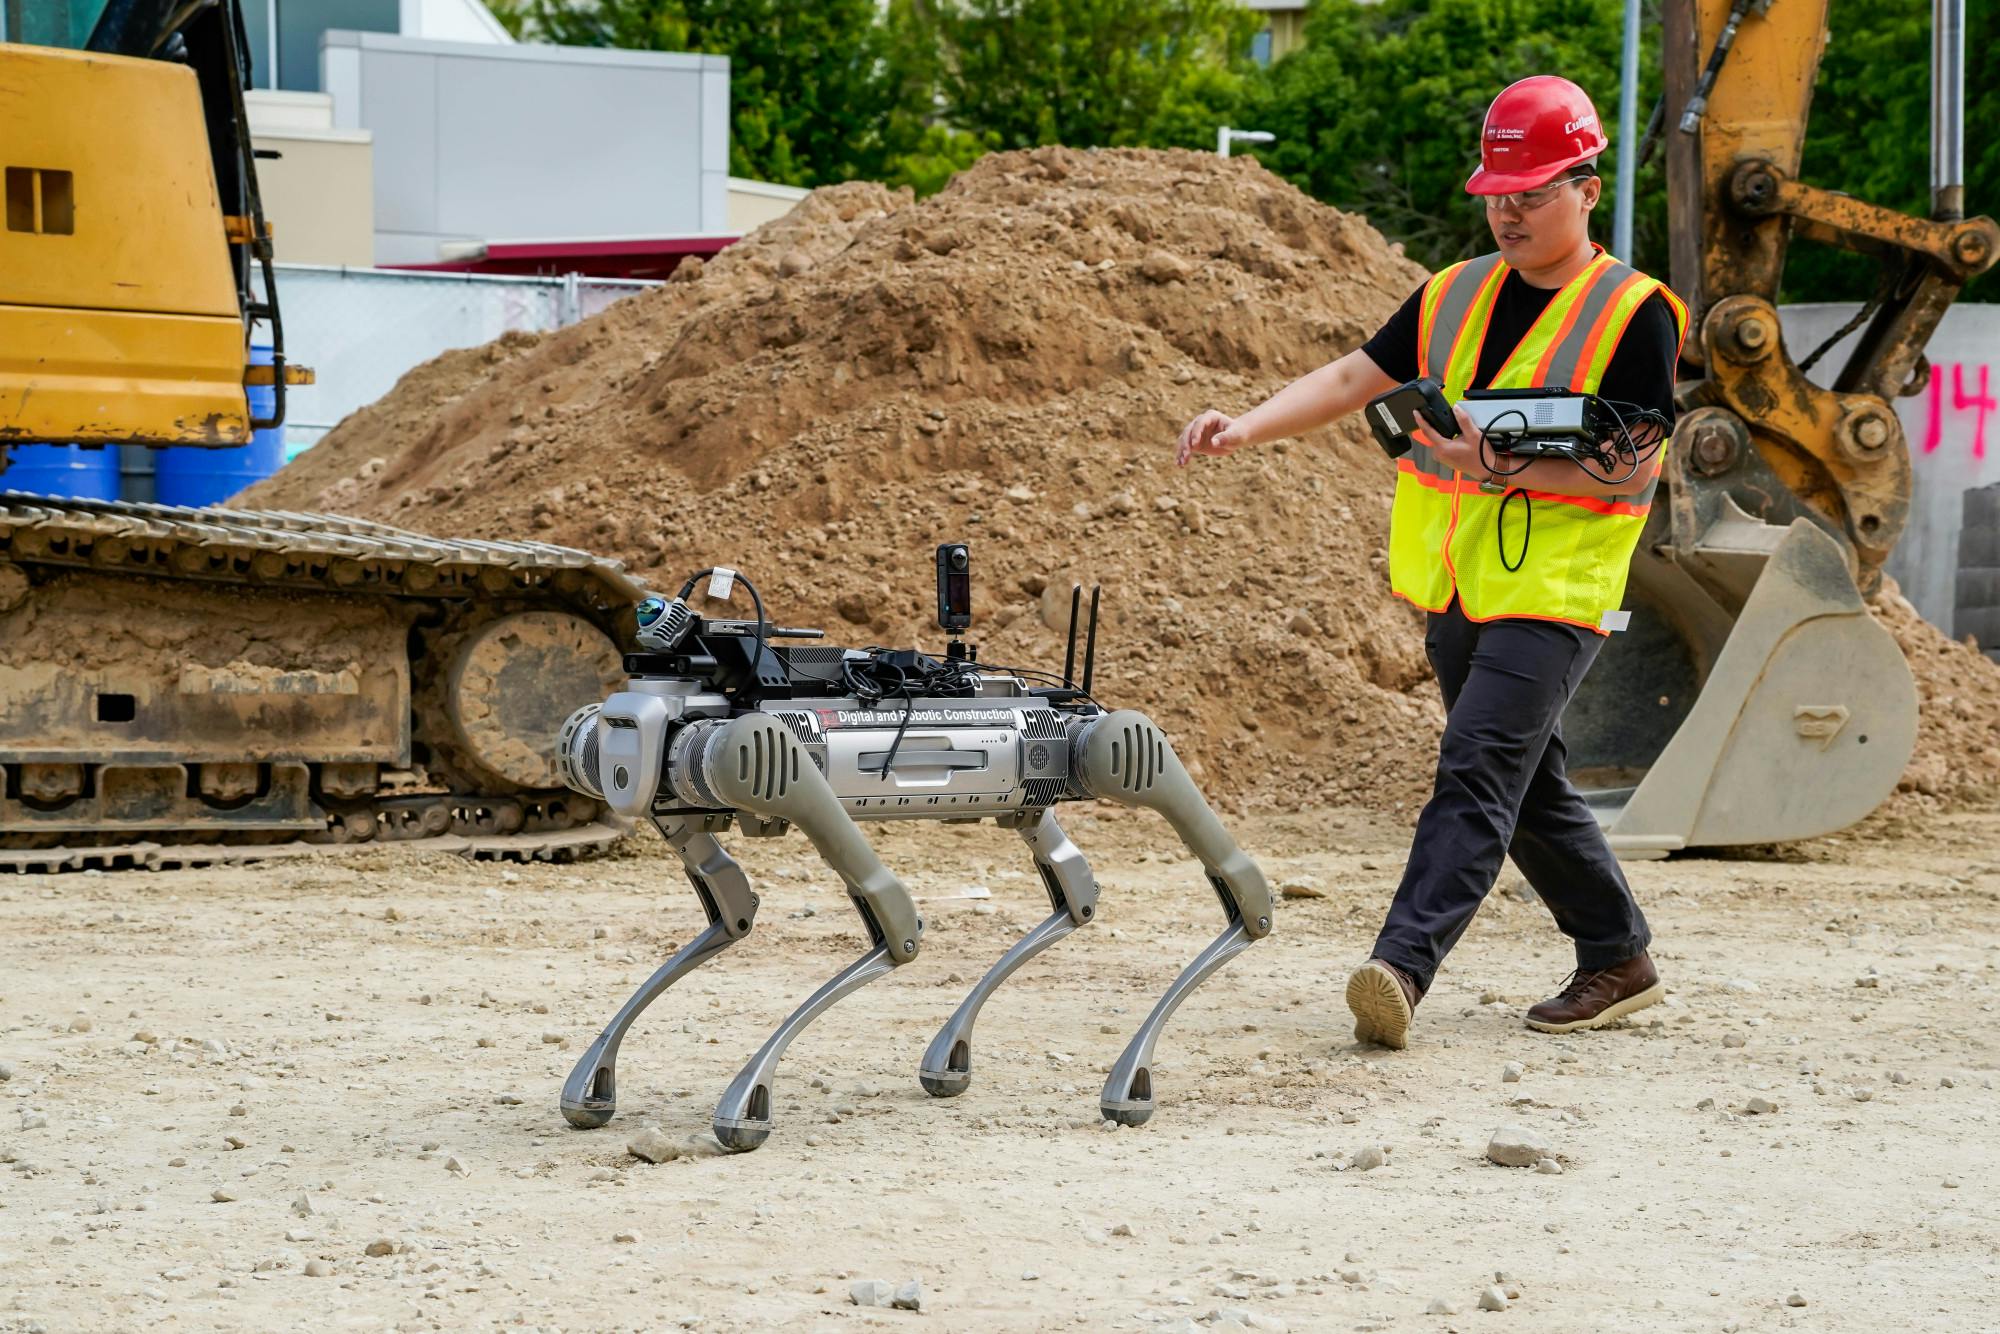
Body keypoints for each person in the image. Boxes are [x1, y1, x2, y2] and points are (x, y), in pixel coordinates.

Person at [1174, 76, 1688, 1049]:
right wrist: (1241, 428)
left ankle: (1399, 965)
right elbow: (1347, 378)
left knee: (1475, 768)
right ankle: (1617, 957)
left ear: (1586, 185)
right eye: (1495, 191)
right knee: (1525, 785)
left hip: (1553, 591)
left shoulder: (1633, 313)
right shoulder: (1450, 293)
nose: (1507, 211)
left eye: (1529, 192)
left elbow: (1628, 469)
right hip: (1455, 587)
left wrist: (1492, 463)